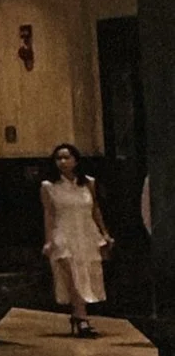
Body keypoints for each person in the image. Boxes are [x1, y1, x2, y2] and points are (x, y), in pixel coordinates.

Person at [42, 140, 112, 339]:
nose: (63, 162)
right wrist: (48, 240)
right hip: (62, 233)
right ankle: (81, 318)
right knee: (70, 275)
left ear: (75, 160)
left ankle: (78, 315)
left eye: (67, 157)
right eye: (58, 158)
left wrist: (104, 233)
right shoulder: (49, 186)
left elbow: (95, 209)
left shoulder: (88, 183)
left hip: (86, 233)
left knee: (85, 274)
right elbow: (49, 214)